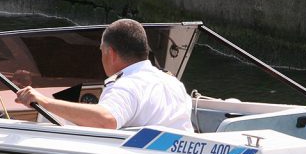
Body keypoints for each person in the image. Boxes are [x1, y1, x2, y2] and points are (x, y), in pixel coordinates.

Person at [15, 18, 194, 131]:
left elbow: (106, 120)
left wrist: (45, 102)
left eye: (101, 51)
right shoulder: (173, 83)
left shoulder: (127, 85)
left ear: (111, 53)